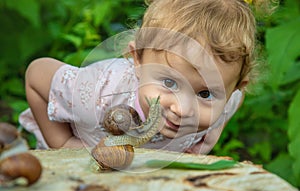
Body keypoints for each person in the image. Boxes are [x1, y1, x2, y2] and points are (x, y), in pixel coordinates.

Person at [19, 0, 262, 154]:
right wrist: (63, 145)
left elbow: (233, 102)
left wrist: (202, 146)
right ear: (137, 59)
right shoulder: (98, 94)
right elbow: (37, 74)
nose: (182, 108)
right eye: (169, 83)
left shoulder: (226, 99)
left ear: (237, 86)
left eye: (204, 93)